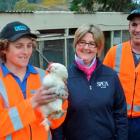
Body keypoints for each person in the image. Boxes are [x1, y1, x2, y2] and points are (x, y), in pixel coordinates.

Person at [52, 24, 128, 140]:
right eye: (82, 42)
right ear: (75, 44)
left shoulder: (110, 76)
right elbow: (57, 119)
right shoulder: (63, 78)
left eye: (92, 44)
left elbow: (120, 115)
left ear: (98, 48)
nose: (86, 47)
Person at [0, 21, 68, 140]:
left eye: (29, 45)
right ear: (4, 49)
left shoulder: (45, 76)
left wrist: (62, 102)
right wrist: (33, 103)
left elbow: (56, 123)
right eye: (19, 46)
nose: (26, 52)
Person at [103, 8, 140, 140]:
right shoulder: (114, 52)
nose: (138, 29)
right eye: (134, 24)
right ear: (129, 27)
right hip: (116, 119)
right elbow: (100, 81)